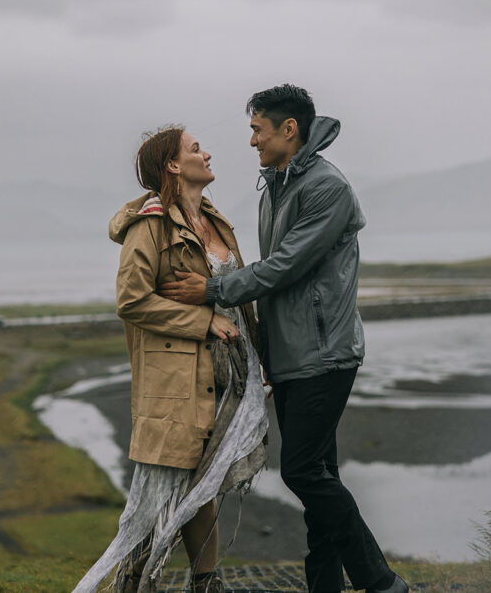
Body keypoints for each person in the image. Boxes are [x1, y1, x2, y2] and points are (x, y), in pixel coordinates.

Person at [160, 85, 409, 593]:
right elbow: (277, 285)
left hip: (325, 354)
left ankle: (380, 581)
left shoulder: (326, 189)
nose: (251, 141)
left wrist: (212, 289)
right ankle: (327, 587)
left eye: (257, 129)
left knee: (301, 473)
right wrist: (268, 355)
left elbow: (284, 268)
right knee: (321, 476)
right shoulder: (277, 184)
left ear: (288, 129)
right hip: (295, 357)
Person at [72, 125, 269, 593]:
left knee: (202, 484)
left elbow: (239, 304)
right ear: (174, 166)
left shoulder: (217, 222)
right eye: (196, 148)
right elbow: (132, 300)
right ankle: (137, 584)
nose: (207, 152)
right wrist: (202, 323)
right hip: (177, 377)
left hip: (230, 374)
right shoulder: (150, 227)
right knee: (163, 490)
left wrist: (260, 363)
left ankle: (205, 584)